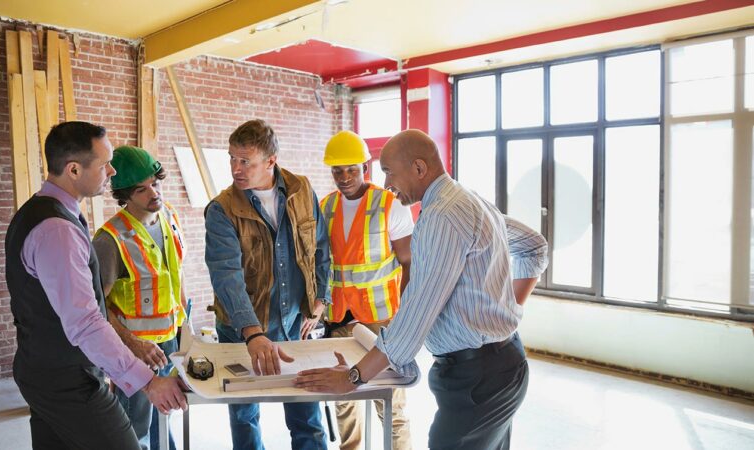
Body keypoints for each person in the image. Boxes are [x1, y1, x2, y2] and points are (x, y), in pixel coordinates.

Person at [296, 129, 548, 450]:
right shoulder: (468, 200)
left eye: (389, 172)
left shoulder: (440, 217)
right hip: (503, 362)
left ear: (418, 169)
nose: (386, 183)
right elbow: (534, 247)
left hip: (477, 377)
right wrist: (508, 311)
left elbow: (418, 310)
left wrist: (354, 377)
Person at [5, 122, 188, 450]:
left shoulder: (40, 212)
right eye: (104, 164)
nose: (112, 171)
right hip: (66, 380)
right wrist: (146, 382)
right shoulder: (57, 230)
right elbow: (86, 322)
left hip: (43, 368)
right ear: (73, 169)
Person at [204, 119, 330, 450]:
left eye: (245, 160)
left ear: (270, 161)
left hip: (294, 326)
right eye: (232, 158)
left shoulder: (302, 190)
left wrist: (321, 298)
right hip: (241, 331)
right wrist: (253, 333)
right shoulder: (222, 209)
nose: (235, 168)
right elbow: (226, 275)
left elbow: (320, 247)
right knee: (245, 419)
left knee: (308, 419)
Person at [93, 145, 191, 450]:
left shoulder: (169, 217)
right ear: (125, 194)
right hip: (135, 350)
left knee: (164, 411)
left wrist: (186, 327)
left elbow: (177, 275)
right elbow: (96, 308)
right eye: (142, 189)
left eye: (155, 183)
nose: (153, 193)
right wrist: (133, 344)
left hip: (170, 341)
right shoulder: (109, 240)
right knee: (135, 427)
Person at [320, 130, 413, 450]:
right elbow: (322, 264)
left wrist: (408, 318)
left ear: (366, 168)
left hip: (381, 320)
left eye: (351, 169)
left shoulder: (390, 205)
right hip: (339, 320)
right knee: (344, 399)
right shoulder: (325, 207)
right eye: (337, 170)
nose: (344, 177)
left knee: (389, 401)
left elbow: (409, 263)